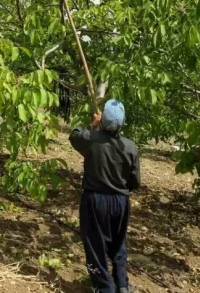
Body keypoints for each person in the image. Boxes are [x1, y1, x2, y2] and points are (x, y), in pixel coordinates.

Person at [69, 99, 140, 293]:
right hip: (120, 201)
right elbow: (134, 182)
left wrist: (92, 124)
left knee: (94, 244)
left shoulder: (92, 139)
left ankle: (104, 287)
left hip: (95, 200)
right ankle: (122, 284)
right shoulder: (130, 146)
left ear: (101, 121)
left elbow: (74, 136)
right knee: (118, 243)